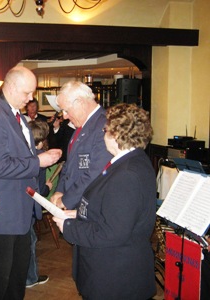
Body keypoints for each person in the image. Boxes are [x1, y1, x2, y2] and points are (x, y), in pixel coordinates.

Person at [0, 65, 62, 300]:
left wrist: (39, 160)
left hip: (20, 212)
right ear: (11, 87)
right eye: (27, 93)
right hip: (3, 214)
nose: (31, 98)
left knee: (16, 281)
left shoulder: (15, 115)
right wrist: (38, 162)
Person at [53, 103, 157, 299]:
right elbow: (115, 210)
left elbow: (112, 233)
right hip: (113, 271)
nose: (103, 133)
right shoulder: (130, 162)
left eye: (105, 129)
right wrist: (78, 213)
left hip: (115, 277)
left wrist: (68, 227)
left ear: (116, 134)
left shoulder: (127, 174)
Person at [50, 81, 112, 210]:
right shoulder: (82, 125)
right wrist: (60, 190)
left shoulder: (105, 125)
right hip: (75, 203)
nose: (65, 116)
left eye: (66, 110)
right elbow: (69, 163)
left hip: (90, 206)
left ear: (80, 103)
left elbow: (96, 172)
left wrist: (67, 200)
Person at [26, 120, 52, 288]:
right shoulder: (41, 157)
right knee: (30, 242)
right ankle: (31, 278)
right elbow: (40, 191)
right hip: (29, 205)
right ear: (42, 141)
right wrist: (49, 187)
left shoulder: (25, 153)